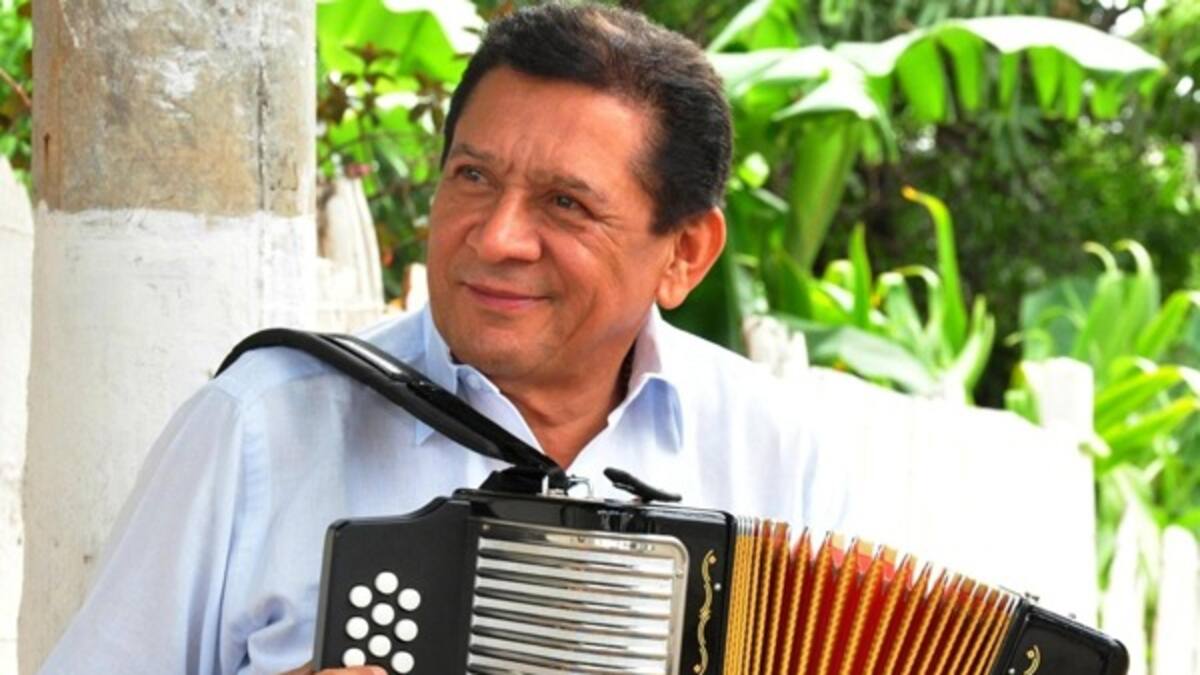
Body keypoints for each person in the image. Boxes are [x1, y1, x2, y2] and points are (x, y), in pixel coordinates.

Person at [38, 3, 848, 674]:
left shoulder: (774, 450)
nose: (496, 237)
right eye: (473, 177)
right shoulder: (259, 425)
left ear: (685, 254)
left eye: (566, 203)